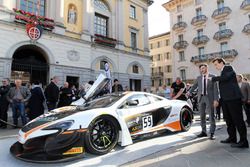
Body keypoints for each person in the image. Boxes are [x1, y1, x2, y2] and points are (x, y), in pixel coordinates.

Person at [212, 58, 248, 148]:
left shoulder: (228, 68)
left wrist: (213, 78)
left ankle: (244, 141)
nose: (215, 66)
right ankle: (232, 138)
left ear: (221, 63)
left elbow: (226, 78)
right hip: (225, 99)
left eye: (216, 64)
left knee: (238, 120)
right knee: (228, 120)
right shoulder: (222, 71)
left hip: (233, 98)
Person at [187, 64, 219, 140]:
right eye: (201, 68)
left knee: (211, 115)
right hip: (201, 98)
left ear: (207, 68)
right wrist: (189, 92)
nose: (202, 70)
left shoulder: (213, 76)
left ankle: (212, 133)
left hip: (209, 98)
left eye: (203, 68)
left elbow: (216, 89)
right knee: (202, 116)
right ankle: (204, 132)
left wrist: (216, 99)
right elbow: (194, 86)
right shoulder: (199, 78)